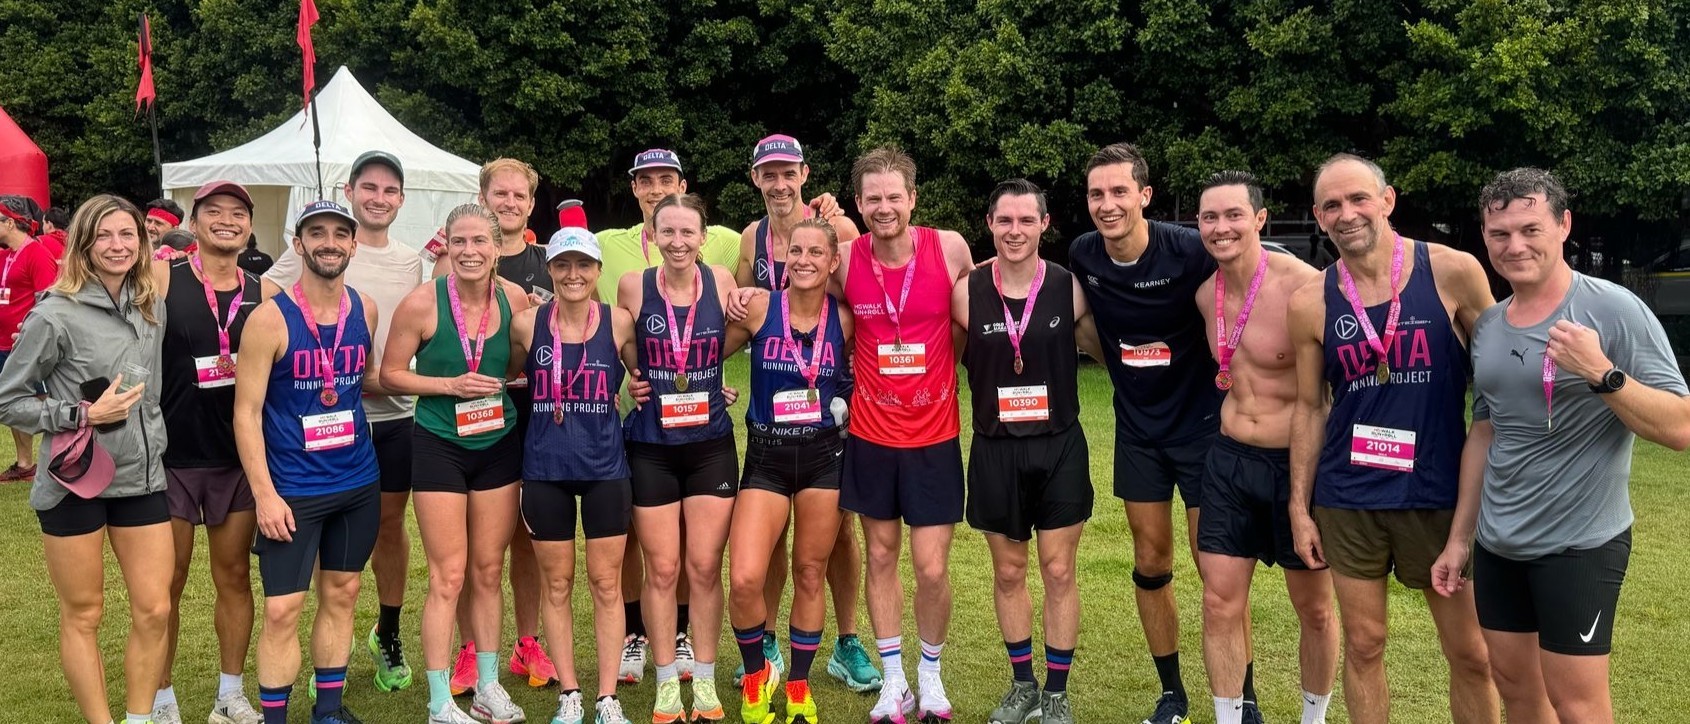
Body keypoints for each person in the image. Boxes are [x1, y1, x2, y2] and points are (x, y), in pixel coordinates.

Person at [1436, 168, 1690, 723]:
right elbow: (1485, 432)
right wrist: (1459, 539)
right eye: (1500, 234)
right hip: (1499, 544)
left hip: (1579, 545)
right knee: (1516, 690)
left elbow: (1680, 428)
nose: (1515, 246)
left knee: (1577, 706)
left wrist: (1601, 372)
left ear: (1564, 225)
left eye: (1530, 229)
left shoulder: (1613, 309)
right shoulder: (1490, 326)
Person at [1286, 154, 1499, 724]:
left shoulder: (1453, 271)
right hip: (1349, 497)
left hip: (1439, 494)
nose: (1347, 213)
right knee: (1364, 645)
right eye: (1332, 205)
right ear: (1319, 217)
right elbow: (1310, 407)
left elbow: (1501, 373)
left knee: (1472, 654)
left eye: (1359, 198)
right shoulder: (1310, 301)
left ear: (1387, 200)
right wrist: (1299, 507)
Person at [1065, 142, 1219, 724]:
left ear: (1144, 195)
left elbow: (1249, 282)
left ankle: (1242, 696)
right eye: (1096, 194)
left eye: (1119, 191)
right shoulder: (1084, 253)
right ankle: (1172, 694)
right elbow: (1069, 313)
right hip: (1138, 432)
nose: (1107, 204)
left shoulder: (1189, 250)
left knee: (1217, 568)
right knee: (1151, 560)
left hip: (1203, 428)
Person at [0, 194, 170, 724]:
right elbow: (8, 399)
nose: (117, 246)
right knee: (84, 613)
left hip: (142, 479)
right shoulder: (54, 313)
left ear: (142, 241)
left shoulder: (150, 305)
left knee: (155, 609)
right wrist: (81, 414)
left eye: (127, 234)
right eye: (103, 235)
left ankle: (139, 718)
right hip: (75, 481)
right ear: (82, 244)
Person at [264, 150, 428, 695]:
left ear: (401, 199)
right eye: (369, 188)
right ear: (350, 191)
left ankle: (388, 633)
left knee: (388, 528)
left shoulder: (410, 261)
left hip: (391, 416)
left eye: (390, 190)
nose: (379, 198)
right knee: (324, 538)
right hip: (314, 422)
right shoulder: (313, 248)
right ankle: (324, 653)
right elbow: (264, 303)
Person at [731, 134, 881, 694]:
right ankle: (768, 639)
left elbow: (867, 302)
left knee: (838, 537)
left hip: (830, 408)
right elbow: (742, 302)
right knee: (768, 540)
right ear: (756, 179)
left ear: (804, 174)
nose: (778, 183)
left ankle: (847, 641)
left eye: (787, 172)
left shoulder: (838, 227)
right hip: (774, 408)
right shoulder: (752, 237)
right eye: (767, 173)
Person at [833, 146, 974, 724]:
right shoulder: (845, 259)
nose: (884, 207)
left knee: (932, 567)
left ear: (913, 199)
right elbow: (806, 299)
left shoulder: (950, 248)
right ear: (858, 203)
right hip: (871, 434)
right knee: (881, 554)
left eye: (894, 196)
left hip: (934, 434)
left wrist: (941, 376)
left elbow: (969, 319)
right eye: (873, 198)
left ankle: (931, 675)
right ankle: (894, 679)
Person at [1190, 172, 1336, 724]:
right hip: (1229, 460)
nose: (1221, 227)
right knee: (1218, 602)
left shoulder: (1305, 288)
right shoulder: (1206, 295)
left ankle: (1313, 718)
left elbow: (1327, 394)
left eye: (1233, 215)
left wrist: (1305, 494)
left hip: (1297, 464)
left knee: (1314, 609)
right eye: (1210, 217)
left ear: (1259, 218)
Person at [953, 180, 1101, 724]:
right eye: (1004, 221)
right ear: (989, 224)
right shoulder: (966, 291)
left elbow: (1109, 351)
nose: (1014, 231)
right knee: (1010, 572)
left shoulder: (1068, 287)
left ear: (1044, 224)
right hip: (995, 448)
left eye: (1025, 221)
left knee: (1059, 571)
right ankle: (1023, 686)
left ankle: (1056, 692)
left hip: (1059, 445)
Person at [233, 200, 380, 724]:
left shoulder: (365, 309)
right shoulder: (269, 319)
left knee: (343, 593)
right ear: (298, 244)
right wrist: (265, 495)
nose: (329, 243)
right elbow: (246, 413)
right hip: (293, 490)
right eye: (317, 233)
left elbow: (363, 382)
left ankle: (329, 712)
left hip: (357, 481)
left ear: (353, 245)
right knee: (282, 610)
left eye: (340, 233)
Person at [383, 203, 530, 724]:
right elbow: (391, 373)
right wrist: (450, 384)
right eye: (459, 242)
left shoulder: (515, 299)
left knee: (488, 571)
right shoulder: (422, 303)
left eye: (479, 241)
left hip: (498, 443)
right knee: (448, 575)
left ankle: (488, 686)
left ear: (497, 247)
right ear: (445, 245)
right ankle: (439, 700)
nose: (469, 251)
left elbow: (517, 362)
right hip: (439, 443)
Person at [432, 158, 558, 693]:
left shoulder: (550, 261)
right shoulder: (452, 262)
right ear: (483, 198)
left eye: (519, 196)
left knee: (528, 534)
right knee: (467, 545)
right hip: (470, 416)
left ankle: (527, 642)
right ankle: (468, 647)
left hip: (536, 415)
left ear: (530, 204)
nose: (509, 202)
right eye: (499, 194)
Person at [724, 217, 855, 724]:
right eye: (795, 251)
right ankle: (756, 674)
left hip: (823, 457)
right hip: (767, 456)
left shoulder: (844, 319)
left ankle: (799, 684)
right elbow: (704, 353)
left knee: (809, 572)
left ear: (833, 261)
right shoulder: (759, 307)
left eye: (815, 252)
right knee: (745, 578)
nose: (803, 260)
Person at [614, 193, 739, 724]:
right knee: (662, 568)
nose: (678, 241)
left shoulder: (723, 282)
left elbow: (738, 336)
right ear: (653, 234)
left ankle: (704, 680)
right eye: (668, 231)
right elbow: (619, 340)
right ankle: (667, 683)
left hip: (710, 446)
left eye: (688, 232)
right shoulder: (633, 286)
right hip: (652, 447)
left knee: (704, 567)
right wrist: (633, 375)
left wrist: (714, 381)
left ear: (703, 236)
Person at [509, 227, 640, 724]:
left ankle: (606, 697)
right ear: (550, 269)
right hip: (545, 468)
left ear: (597, 270)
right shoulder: (527, 324)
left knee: (606, 583)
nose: (573, 274)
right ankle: (570, 692)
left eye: (583, 265)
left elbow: (644, 377)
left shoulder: (619, 322)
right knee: (557, 583)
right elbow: (509, 374)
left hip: (605, 467)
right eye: (562, 264)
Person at [151, 180, 267, 724]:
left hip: (235, 459)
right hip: (170, 458)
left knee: (235, 576)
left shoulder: (264, 291)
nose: (227, 220)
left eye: (237, 213)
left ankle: (229, 695)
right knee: (165, 586)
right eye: (213, 211)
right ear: (193, 223)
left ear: (249, 226)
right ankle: (160, 699)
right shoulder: (160, 278)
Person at [0, 194, 62, 482]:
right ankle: (25, 463)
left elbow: (49, 301)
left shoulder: (36, 253)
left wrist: (31, 333)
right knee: (12, 401)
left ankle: (65, 455)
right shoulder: (6, 254)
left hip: (27, 345)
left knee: (45, 399)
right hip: (4, 343)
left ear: (10, 223)